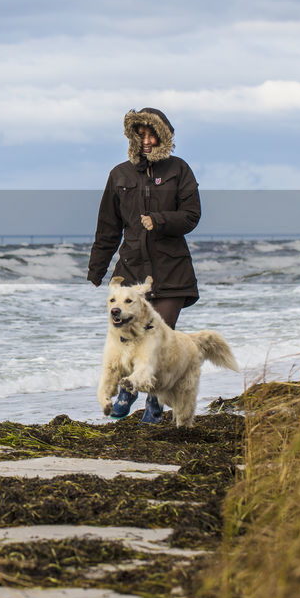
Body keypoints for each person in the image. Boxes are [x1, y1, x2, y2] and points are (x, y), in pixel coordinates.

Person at [88, 108, 202, 422]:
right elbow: (108, 227)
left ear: (164, 136)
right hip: (132, 272)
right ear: (134, 136)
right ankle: (127, 393)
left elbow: (192, 216)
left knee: (157, 341)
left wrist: (160, 220)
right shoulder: (119, 174)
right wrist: (97, 269)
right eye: (141, 134)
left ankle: (152, 406)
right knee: (127, 339)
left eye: (152, 134)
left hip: (172, 273)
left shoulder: (179, 170)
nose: (147, 140)